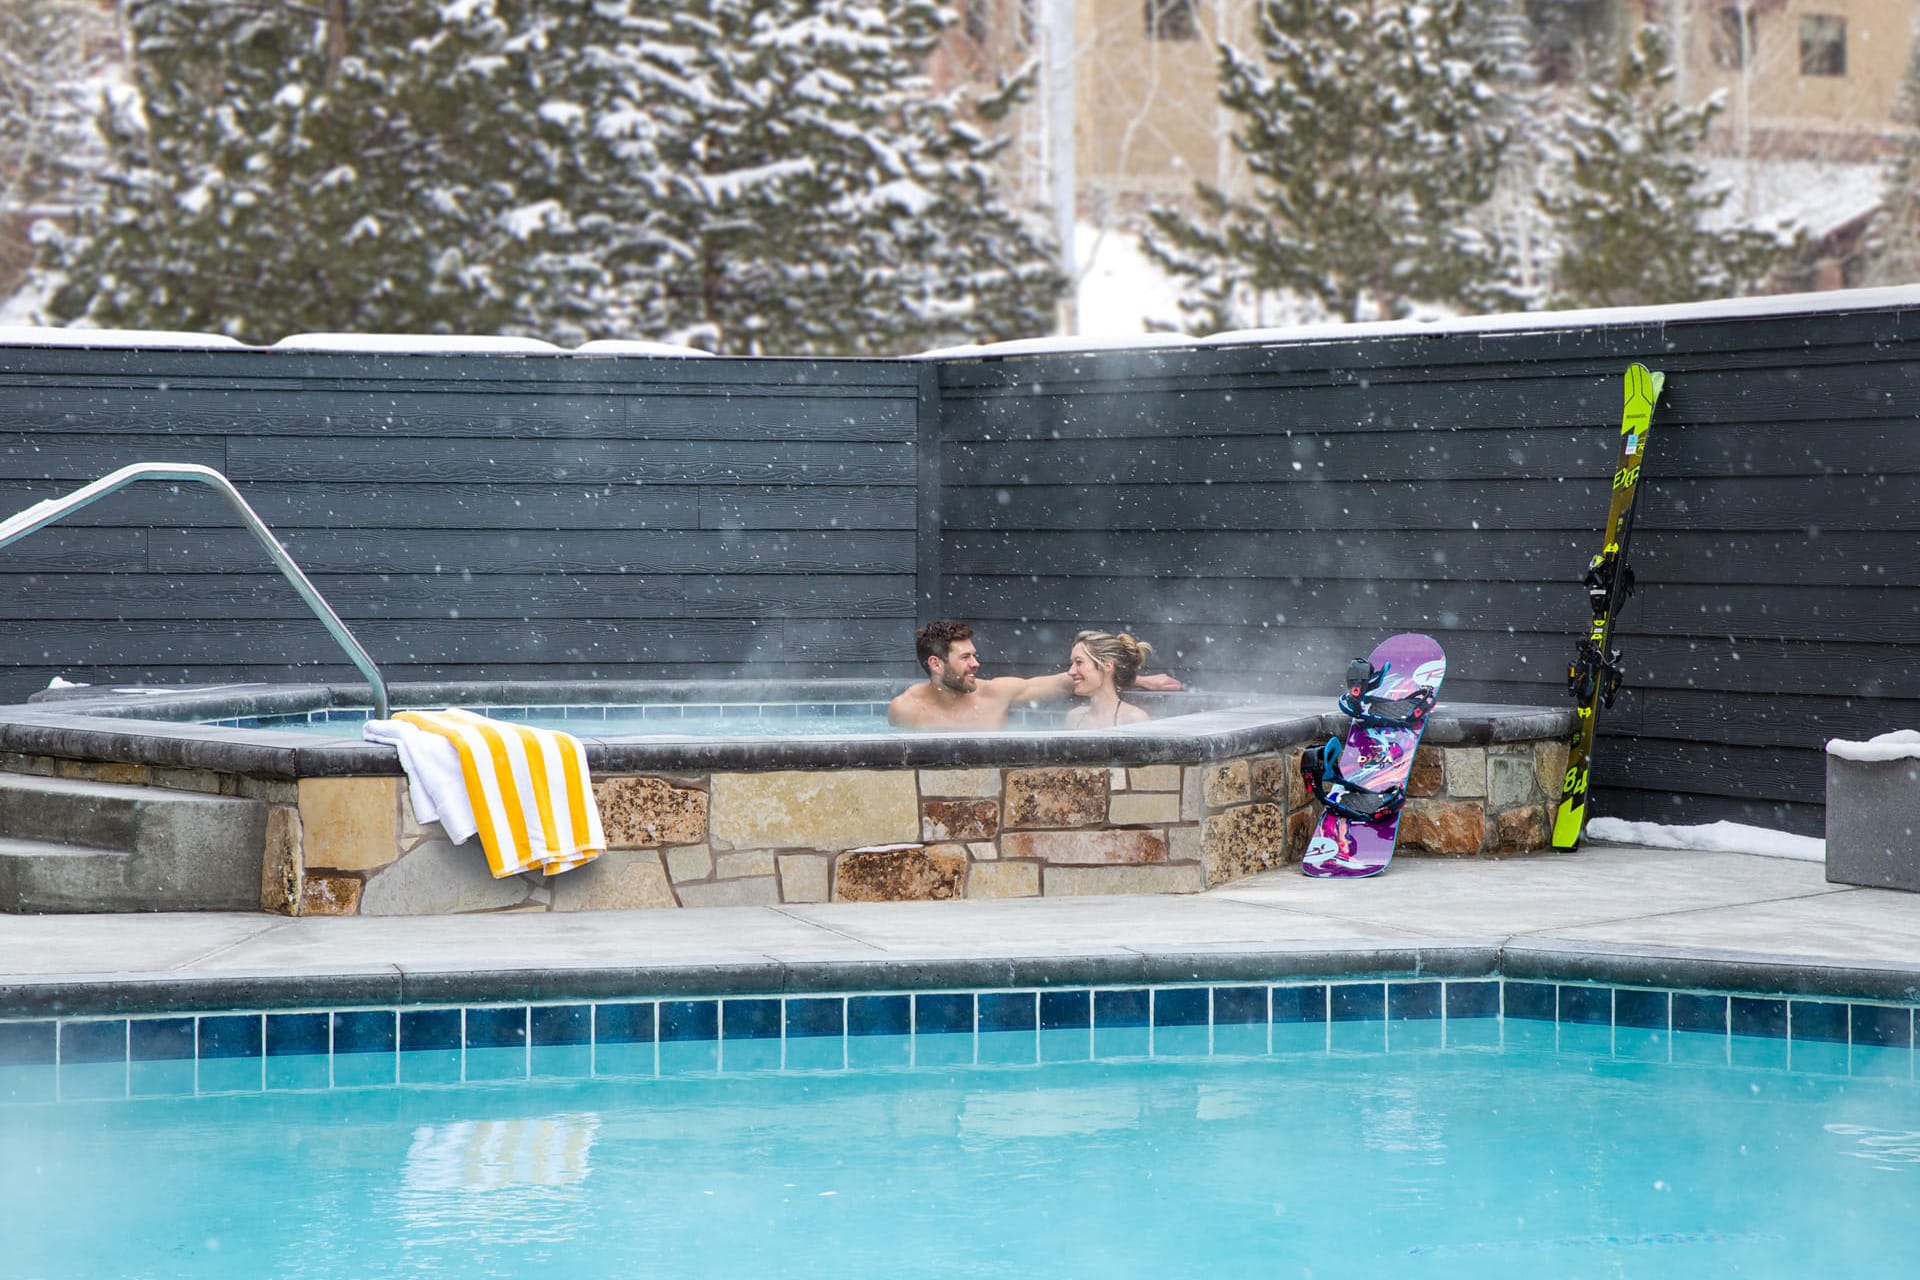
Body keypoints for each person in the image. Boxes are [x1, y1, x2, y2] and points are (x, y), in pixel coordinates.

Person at [888, 619, 1180, 731]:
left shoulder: (996, 695)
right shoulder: (905, 710)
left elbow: (1065, 681)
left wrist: (1137, 678)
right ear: (936, 665)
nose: (976, 663)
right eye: (966, 658)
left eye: (974, 655)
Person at [1063, 630, 1154, 728]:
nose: (1070, 672)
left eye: (1079, 662)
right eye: (1072, 663)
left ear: (1107, 666)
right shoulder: (1074, 718)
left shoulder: (1134, 719)